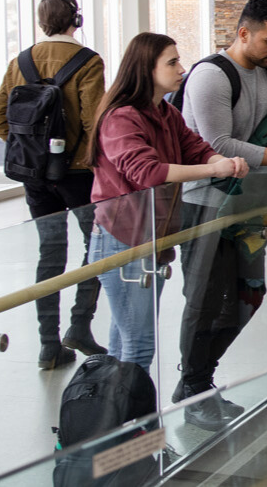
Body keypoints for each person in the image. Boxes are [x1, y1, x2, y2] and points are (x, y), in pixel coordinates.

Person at [171, 0, 267, 429]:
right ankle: (194, 389)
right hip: (205, 206)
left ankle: (198, 381)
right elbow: (218, 145)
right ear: (243, 33)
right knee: (204, 302)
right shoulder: (210, 77)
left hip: (249, 205)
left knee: (248, 296)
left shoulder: (266, 73)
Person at [88, 32, 250, 371]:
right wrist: (211, 168)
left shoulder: (164, 112)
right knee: (138, 344)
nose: (182, 68)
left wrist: (221, 161)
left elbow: (195, 147)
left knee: (125, 342)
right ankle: (137, 424)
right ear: (146, 69)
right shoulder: (121, 117)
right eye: (172, 62)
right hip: (123, 240)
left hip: (153, 237)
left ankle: (116, 418)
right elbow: (145, 172)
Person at [0, 0, 109, 370]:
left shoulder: (20, 61)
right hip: (76, 174)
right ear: (77, 19)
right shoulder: (88, 62)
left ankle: (48, 346)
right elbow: (92, 123)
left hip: (34, 176)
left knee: (50, 252)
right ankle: (79, 325)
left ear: (42, 22)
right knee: (100, 245)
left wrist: (33, 152)